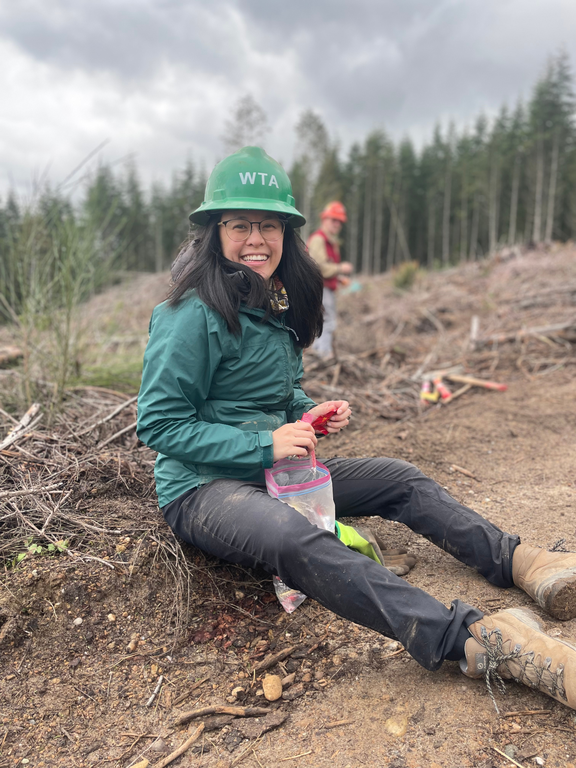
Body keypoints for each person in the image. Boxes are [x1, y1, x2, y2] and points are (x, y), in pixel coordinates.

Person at [137, 145, 576, 714]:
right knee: (292, 539)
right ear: (213, 232)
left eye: (268, 225)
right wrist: (262, 443)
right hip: (202, 489)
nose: (255, 238)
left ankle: (520, 561)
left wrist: (309, 410)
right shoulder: (188, 313)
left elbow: (281, 392)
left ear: (287, 233)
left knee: (399, 478)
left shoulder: (274, 304)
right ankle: (472, 641)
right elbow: (160, 423)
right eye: (239, 223)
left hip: (276, 471)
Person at [307, 201, 353, 359]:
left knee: (322, 321)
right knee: (327, 321)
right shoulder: (319, 240)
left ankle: (318, 352)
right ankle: (323, 353)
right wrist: (341, 268)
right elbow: (318, 267)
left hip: (324, 288)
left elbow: (325, 267)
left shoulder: (329, 241)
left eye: (339, 221)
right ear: (324, 219)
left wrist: (337, 277)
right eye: (334, 220)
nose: (337, 224)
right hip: (320, 289)